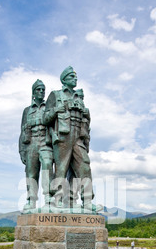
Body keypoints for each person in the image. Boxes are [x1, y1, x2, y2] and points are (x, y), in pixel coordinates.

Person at [44, 66, 100, 212]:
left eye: (75, 77)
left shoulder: (78, 97)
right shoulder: (55, 95)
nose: (75, 79)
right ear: (64, 80)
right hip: (63, 135)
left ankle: (87, 201)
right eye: (71, 77)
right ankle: (58, 200)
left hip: (78, 136)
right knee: (61, 168)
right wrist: (56, 110)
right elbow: (45, 118)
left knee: (84, 166)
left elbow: (85, 119)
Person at [19, 80, 54, 212]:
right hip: (31, 143)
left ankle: (49, 198)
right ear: (33, 92)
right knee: (31, 172)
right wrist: (21, 150)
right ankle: (31, 200)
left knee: (47, 164)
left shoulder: (48, 107)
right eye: (38, 89)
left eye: (43, 90)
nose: (41, 92)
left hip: (45, 142)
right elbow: (22, 131)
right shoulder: (27, 110)